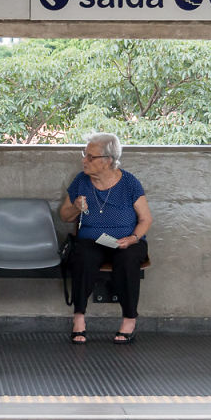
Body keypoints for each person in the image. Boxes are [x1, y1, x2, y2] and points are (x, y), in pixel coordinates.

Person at [59, 133, 153, 345]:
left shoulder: (129, 183)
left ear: (108, 160)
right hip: (92, 241)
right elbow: (64, 216)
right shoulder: (81, 181)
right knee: (83, 255)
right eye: (85, 155)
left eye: (90, 157)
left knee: (127, 259)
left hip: (126, 241)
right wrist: (75, 208)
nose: (84, 160)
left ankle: (129, 320)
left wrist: (133, 237)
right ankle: (79, 318)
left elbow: (146, 219)